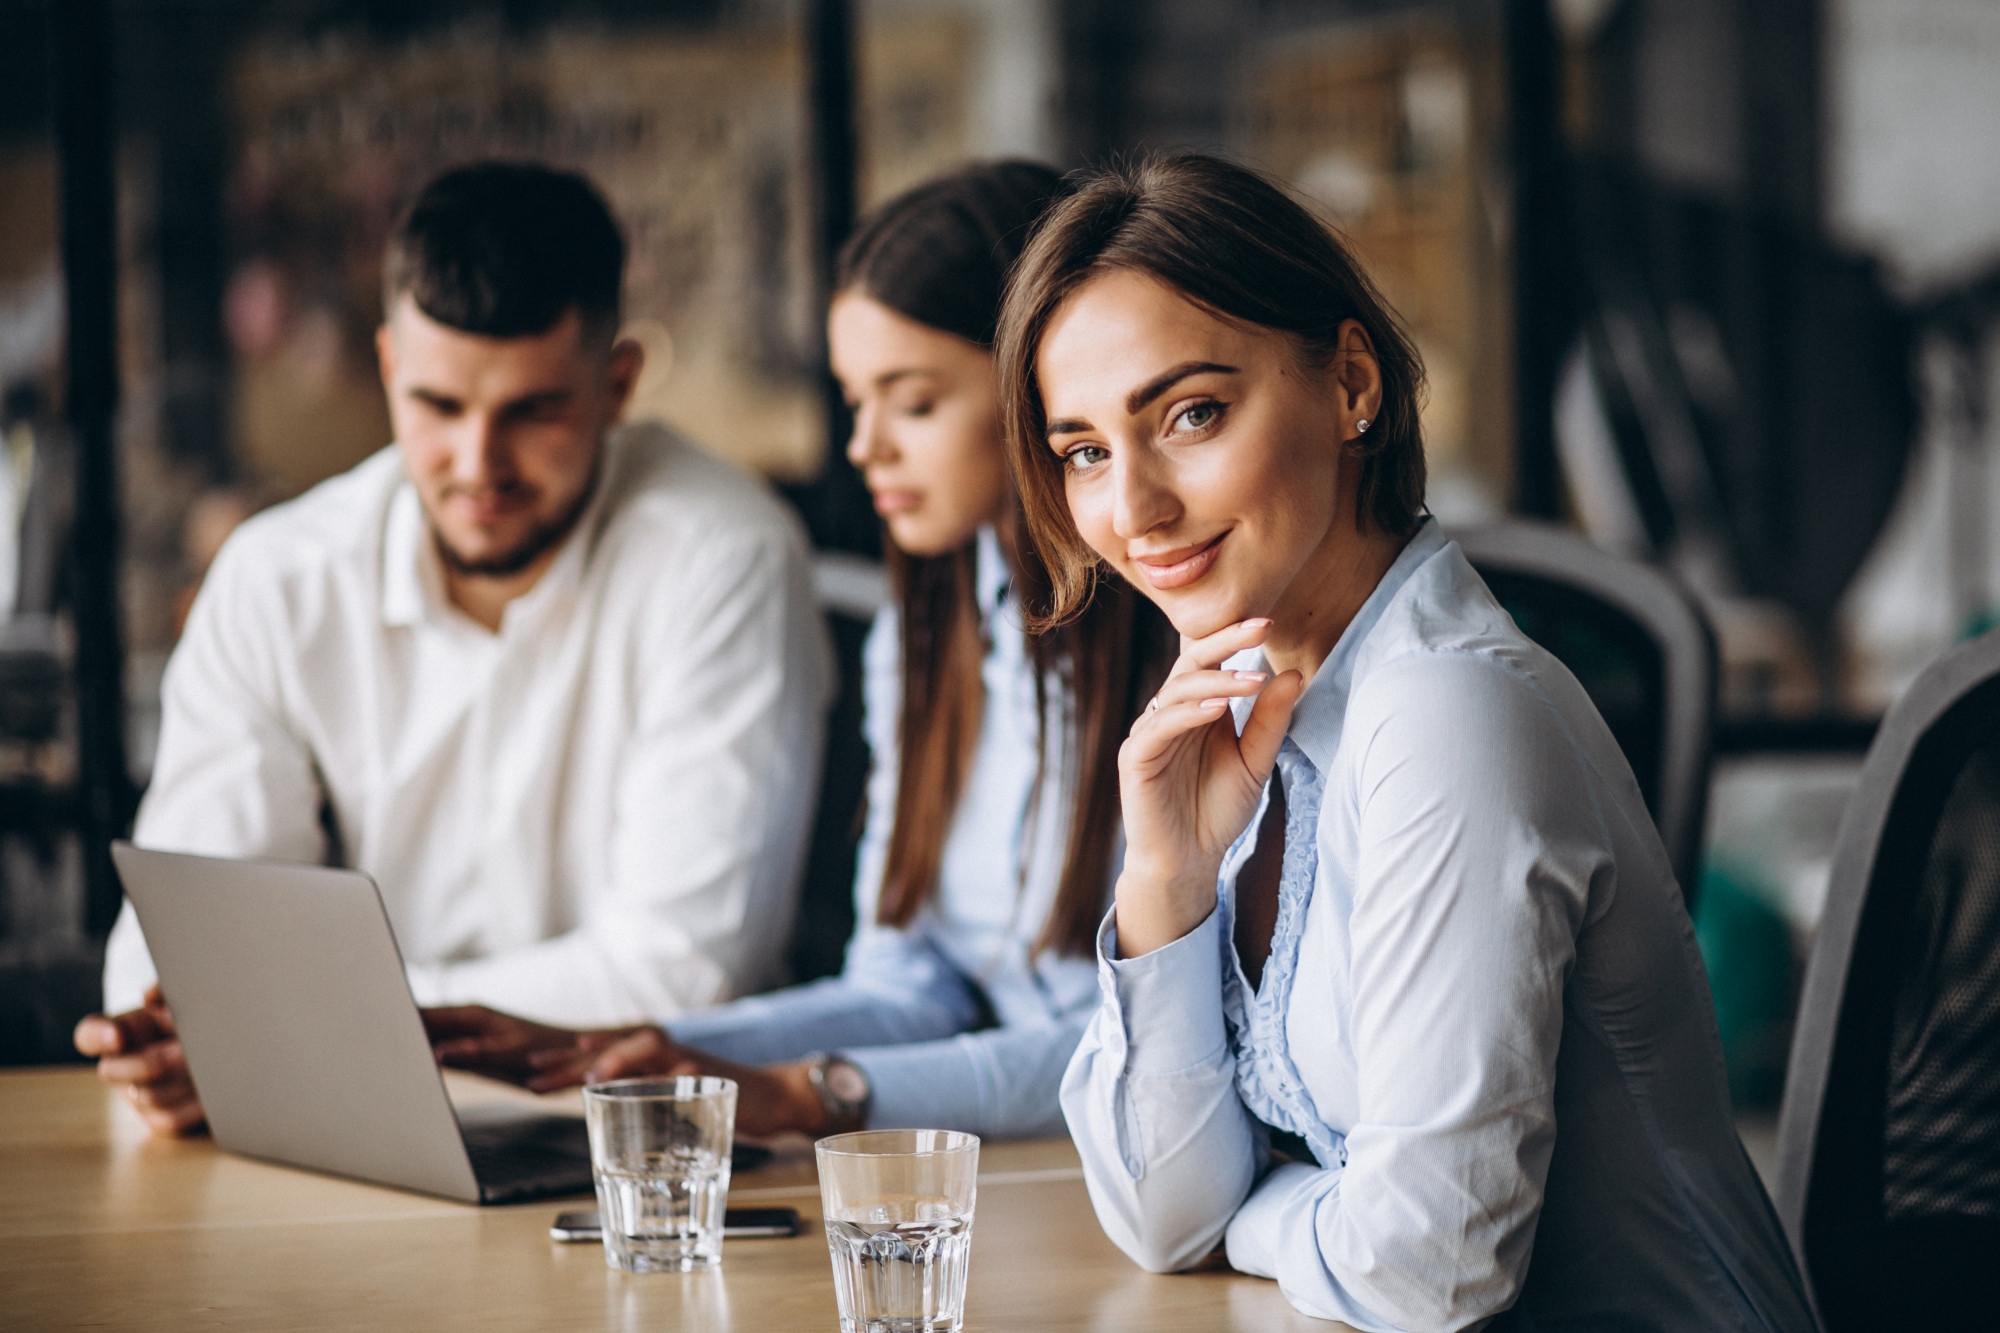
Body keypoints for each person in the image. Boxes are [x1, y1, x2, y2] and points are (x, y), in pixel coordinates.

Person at [996, 153, 1819, 1331]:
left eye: (1190, 414)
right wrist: (1163, 885)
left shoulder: (1446, 714)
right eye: (1081, 450)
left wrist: (1260, 1210)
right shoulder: (1248, 712)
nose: (1131, 510)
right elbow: (1159, 1214)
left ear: (1349, 383)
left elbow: (1426, 1270)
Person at [422, 160, 1174, 1141]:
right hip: (990, 1171)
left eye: (911, 403)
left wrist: (820, 1091)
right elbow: (910, 988)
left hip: (1109, 1170)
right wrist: (629, 1044)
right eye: (854, 400)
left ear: (1041, 390)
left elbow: (1133, 1047)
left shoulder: (1173, 647)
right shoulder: (928, 634)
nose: (864, 447)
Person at [74, 161, 831, 1136]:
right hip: (330, 1132)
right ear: (389, 370)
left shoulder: (724, 558)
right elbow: (170, 958)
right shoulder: (277, 578)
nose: (479, 464)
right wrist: (213, 1032)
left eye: (532, 410)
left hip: (637, 1144)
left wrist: (289, 1025)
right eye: (437, 406)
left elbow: (681, 969)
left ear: (618, 382)